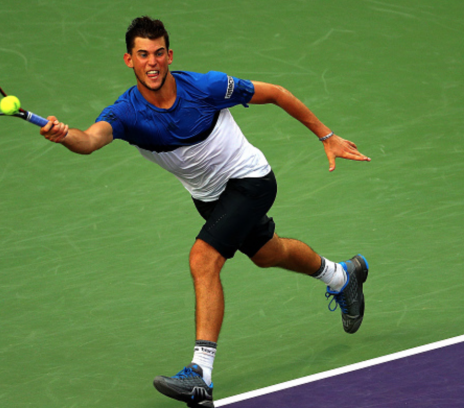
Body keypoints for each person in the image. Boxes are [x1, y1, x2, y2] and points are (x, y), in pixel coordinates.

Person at [40, 16, 371, 408]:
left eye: (159, 53)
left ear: (170, 55)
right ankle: (342, 275)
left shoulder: (207, 87)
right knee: (268, 254)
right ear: (128, 60)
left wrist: (327, 136)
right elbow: (90, 140)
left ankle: (200, 374)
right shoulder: (126, 113)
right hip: (210, 199)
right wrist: (65, 136)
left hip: (251, 181)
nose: (152, 62)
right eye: (142, 54)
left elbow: (277, 93)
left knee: (203, 259)